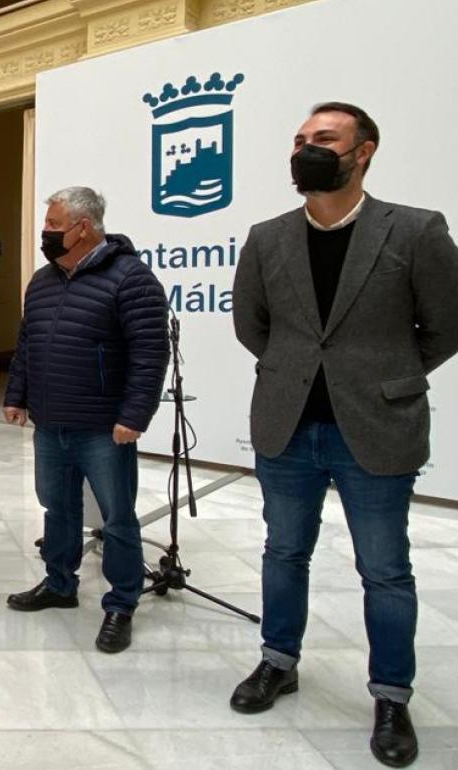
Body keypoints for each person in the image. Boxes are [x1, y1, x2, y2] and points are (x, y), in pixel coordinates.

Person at [230, 102, 458, 768]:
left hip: (378, 427)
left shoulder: (415, 231)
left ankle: (391, 695)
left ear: (364, 152)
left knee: (385, 571)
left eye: (324, 139)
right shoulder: (267, 237)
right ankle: (278, 661)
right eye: (300, 140)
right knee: (283, 553)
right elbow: (254, 325)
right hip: (287, 425)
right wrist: (297, 370)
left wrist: (384, 374)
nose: (307, 149)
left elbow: (446, 325)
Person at [2, 186, 168, 654]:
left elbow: (150, 353)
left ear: (84, 228)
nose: (46, 233)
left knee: (116, 518)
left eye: (54, 225)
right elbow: (27, 345)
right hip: (50, 423)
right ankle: (59, 584)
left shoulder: (130, 278)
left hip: (102, 426)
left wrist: (134, 414)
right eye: (47, 224)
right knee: (58, 509)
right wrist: (16, 395)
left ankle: (121, 604)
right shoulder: (42, 280)